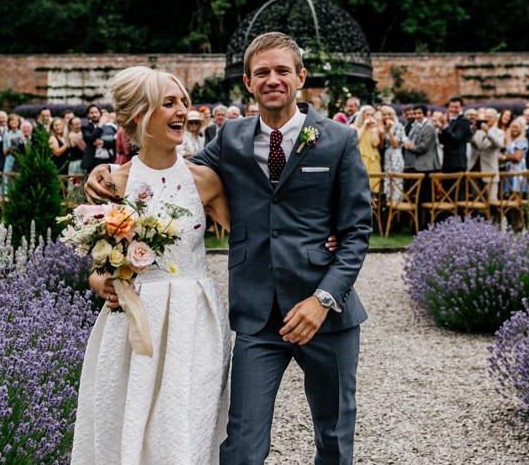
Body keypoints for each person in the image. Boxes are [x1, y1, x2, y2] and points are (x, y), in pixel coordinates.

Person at [86, 32, 371, 465]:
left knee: (333, 437)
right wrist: (108, 169)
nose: (272, 79)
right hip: (257, 317)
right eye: (262, 72)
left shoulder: (338, 140)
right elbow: (169, 178)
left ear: (301, 77)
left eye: (281, 71)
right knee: (241, 445)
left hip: (325, 313)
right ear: (248, 82)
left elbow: (356, 233)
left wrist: (323, 299)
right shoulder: (231, 139)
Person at [71, 67, 232, 464]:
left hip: (194, 321)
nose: (184, 112)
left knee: (186, 425)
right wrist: (98, 283)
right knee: (127, 423)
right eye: (170, 103)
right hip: (134, 321)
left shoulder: (205, 180)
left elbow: (254, 240)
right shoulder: (113, 183)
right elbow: (97, 266)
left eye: (184, 102)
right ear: (141, 114)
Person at [353, 104, 382, 194]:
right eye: (367, 115)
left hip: (373, 159)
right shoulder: (354, 127)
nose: (370, 117)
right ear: (362, 115)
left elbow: (375, 143)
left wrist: (373, 129)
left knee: (373, 186)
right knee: (360, 185)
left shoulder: (375, 129)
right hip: (360, 158)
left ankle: (373, 205)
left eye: (371, 115)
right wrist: (364, 126)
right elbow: (356, 140)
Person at [380, 105, 406, 202]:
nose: (387, 117)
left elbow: (395, 144)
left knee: (396, 180)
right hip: (387, 155)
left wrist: (389, 131)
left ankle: (396, 204)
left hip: (396, 155)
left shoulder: (399, 126)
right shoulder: (382, 126)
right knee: (387, 180)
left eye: (389, 114)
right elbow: (382, 146)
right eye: (384, 115)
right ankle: (388, 203)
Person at [439, 97, 473, 173]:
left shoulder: (464, 121)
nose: (453, 109)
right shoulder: (450, 121)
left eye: (456, 107)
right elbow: (442, 141)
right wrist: (440, 128)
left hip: (457, 163)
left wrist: (445, 126)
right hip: (447, 161)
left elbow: (456, 139)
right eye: (451, 107)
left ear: (461, 107)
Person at [503, 118, 529, 195]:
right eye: (513, 127)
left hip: (518, 170)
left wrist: (504, 157)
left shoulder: (522, 141)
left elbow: (517, 157)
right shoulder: (512, 141)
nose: (514, 129)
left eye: (517, 127)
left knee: (516, 193)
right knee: (508, 195)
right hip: (509, 169)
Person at [1, 113, 23, 192]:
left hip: (19, 159)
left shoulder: (21, 133)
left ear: (19, 122)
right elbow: (4, 152)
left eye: (16, 120)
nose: (14, 122)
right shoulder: (6, 135)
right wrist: (11, 148)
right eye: (12, 120)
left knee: (17, 178)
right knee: (7, 177)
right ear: (9, 123)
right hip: (9, 159)